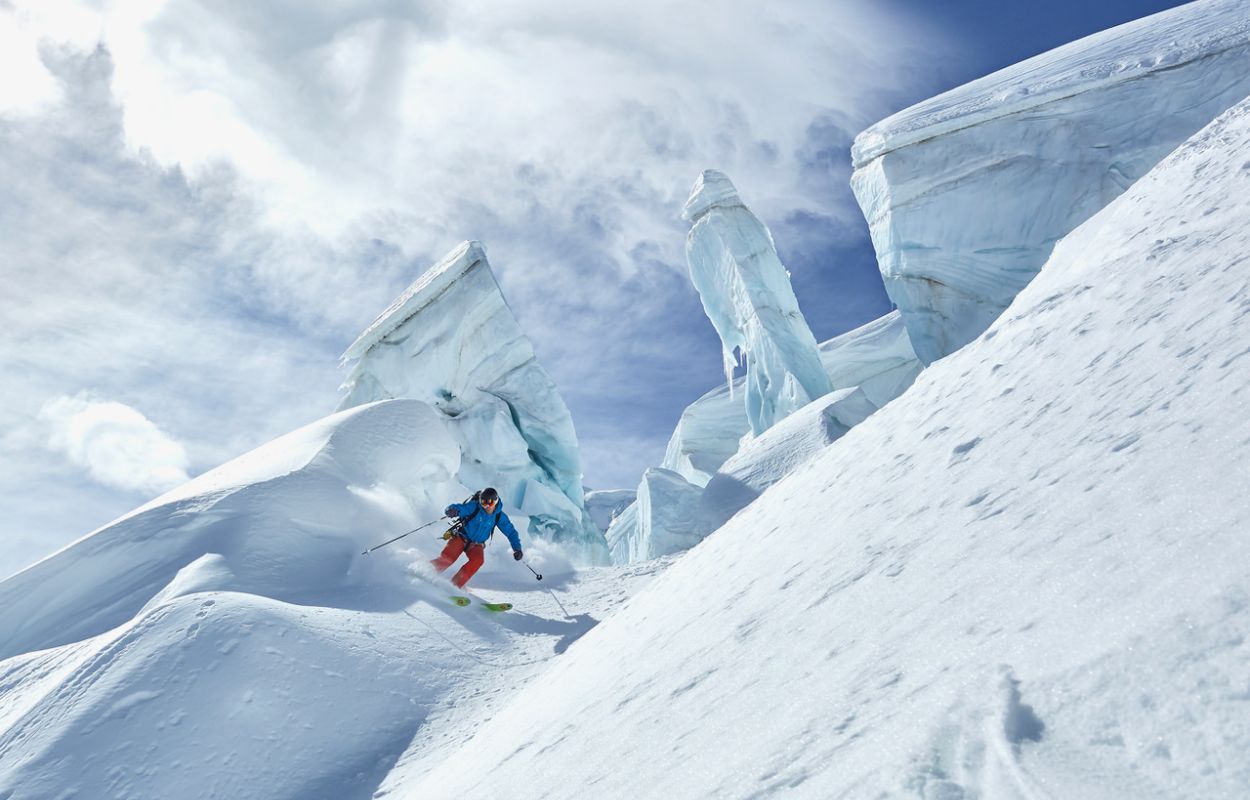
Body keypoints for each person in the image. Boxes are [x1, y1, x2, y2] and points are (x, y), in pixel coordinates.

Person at [432, 487, 523, 588]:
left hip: (476, 545)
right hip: (461, 537)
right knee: (448, 558)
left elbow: (511, 532)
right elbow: (460, 508)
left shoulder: (499, 516)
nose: (487, 506)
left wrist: (517, 548)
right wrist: (452, 510)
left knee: (478, 560)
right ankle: (427, 572)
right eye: (484, 503)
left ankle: (454, 586)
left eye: (490, 503)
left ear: (496, 502)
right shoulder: (474, 507)